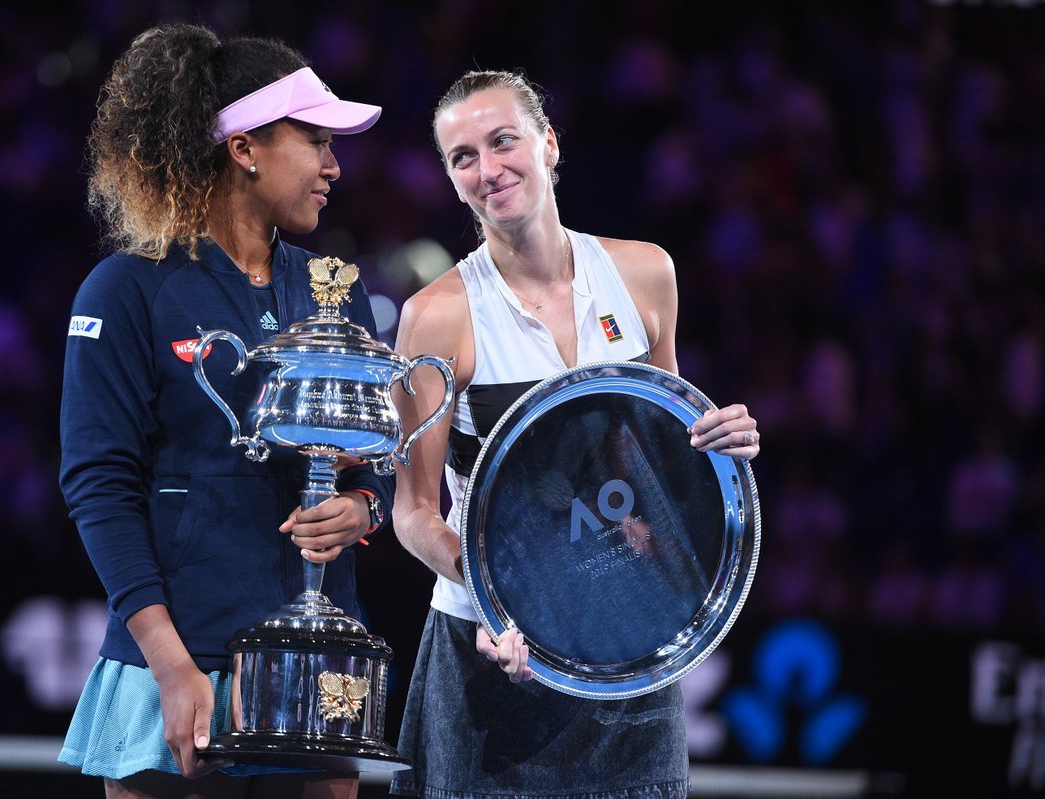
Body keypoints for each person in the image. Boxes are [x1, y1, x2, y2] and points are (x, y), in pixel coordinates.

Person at [388, 70, 761, 799]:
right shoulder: (436, 317)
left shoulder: (646, 274)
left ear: (549, 144)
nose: (488, 169)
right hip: (494, 651)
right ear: (452, 180)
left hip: (630, 632)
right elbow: (413, 511)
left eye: (503, 141)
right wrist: (497, 598)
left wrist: (720, 443)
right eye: (463, 157)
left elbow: (659, 450)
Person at [56, 22, 390, 799]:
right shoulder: (125, 289)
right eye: (316, 141)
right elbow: (99, 486)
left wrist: (360, 508)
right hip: (179, 664)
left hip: (317, 662)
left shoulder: (336, 291)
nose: (334, 166)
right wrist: (170, 665)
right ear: (245, 148)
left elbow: (370, 457)